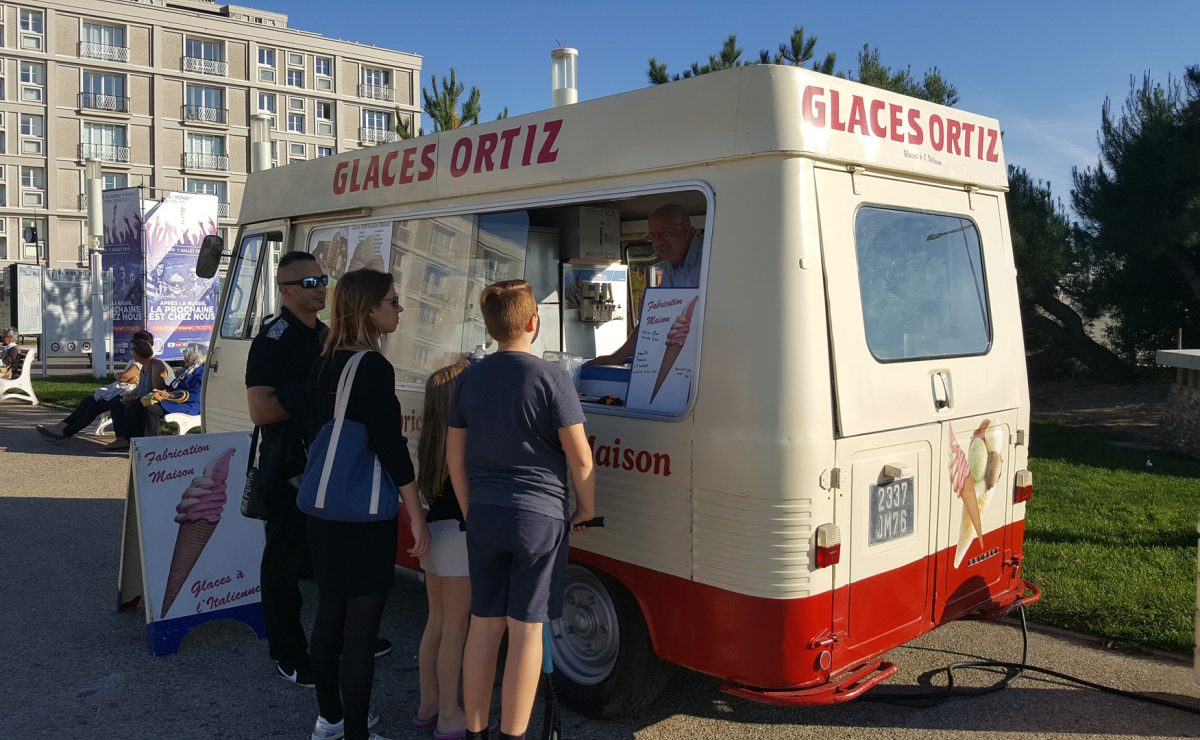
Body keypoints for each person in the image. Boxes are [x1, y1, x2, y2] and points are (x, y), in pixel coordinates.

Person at [448, 280, 597, 740]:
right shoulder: (551, 378)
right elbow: (580, 457)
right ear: (534, 323)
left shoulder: (468, 378)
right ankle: (514, 735)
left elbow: (455, 457)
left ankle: (475, 731)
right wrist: (587, 509)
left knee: (483, 627)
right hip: (538, 517)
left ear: (490, 327)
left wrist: (471, 510)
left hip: (485, 515)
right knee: (527, 633)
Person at [304, 268, 430, 740]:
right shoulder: (372, 367)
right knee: (360, 631)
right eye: (393, 302)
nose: (398, 309)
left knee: (328, 614)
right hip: (363, 515)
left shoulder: (324, 361)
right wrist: (415, 512)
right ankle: (356, 732)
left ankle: (329, 719)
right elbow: (389, 446)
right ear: (370, 310)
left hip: (322, 507)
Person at [245, 251, 329, 688]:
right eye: (310, 282)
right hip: (290, 464)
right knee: (282, 564)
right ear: (286, 290)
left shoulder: (326, 335)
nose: (320, 288)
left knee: (329, 556)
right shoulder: (273, 339)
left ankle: (339, 639)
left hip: (326, 461)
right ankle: (288, 651)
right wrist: (313, 390)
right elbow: (260, 410)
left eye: (323, 279)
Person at [413, 356, 473, 739]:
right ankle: (451, 714)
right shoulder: (463, 445)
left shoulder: (428, 442)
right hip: (459, 540)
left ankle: (429, 704)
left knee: (435, 624)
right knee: (457, 629)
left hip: (434, 536)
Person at [587, 204, 702, 367]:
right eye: (653, 236)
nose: (657, 242)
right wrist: (617, 357)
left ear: (685, 230)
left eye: (663, 234)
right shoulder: (670, 269)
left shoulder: (712, 256)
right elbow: (651, 319)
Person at [37, 330, 154, 441]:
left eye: (133, 343)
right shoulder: (138, 361)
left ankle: (65, 432)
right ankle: (61, 426)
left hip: (126, 395)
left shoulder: (138, 362)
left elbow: (123, 377)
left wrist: (120, 376)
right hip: (123, 392)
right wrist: (122, 376)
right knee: (88, 401)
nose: (131, 346)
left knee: (93, 407)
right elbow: (125, 377)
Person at [103, 338, 173, 451]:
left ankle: (134, 440)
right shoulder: (143, 366)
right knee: (116, 401)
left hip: (155, 399)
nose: (132, 354)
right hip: (142, 397)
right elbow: (140, 388)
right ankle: (123, 438)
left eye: (133, 351)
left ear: (139, 353)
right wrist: (128, 396)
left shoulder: (156, 364)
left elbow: (156, 389)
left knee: (132, 407)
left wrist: (133, 399)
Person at [142, 342, 206, 436]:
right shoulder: (186, 369)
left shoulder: (201, 371)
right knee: (139, 405)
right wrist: (162, 392)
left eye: (185, 352)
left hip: (189, 405)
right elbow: (173, 387)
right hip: (175, 401)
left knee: (151, 409)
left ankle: (150, 442)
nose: (184, 354)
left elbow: (196, 395)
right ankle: (135, 438)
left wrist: (169, 395)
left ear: (193, 356)